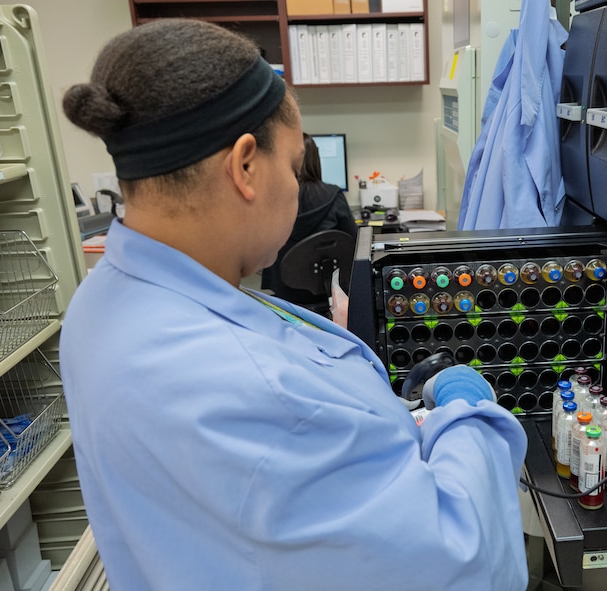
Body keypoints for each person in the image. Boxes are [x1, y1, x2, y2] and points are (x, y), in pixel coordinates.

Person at [59, 18, 528, 591]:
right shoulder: (257, 394)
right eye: (292, 163)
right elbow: (464, 558)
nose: (297, 182)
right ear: (245, 166)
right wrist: (467, 416)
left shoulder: (100, 300)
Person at [260, 132, 357, 314]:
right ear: (316, 161)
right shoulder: (333, 195)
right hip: (328, 294)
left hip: (285, 297)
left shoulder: (272, 199)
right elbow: (356, 243)